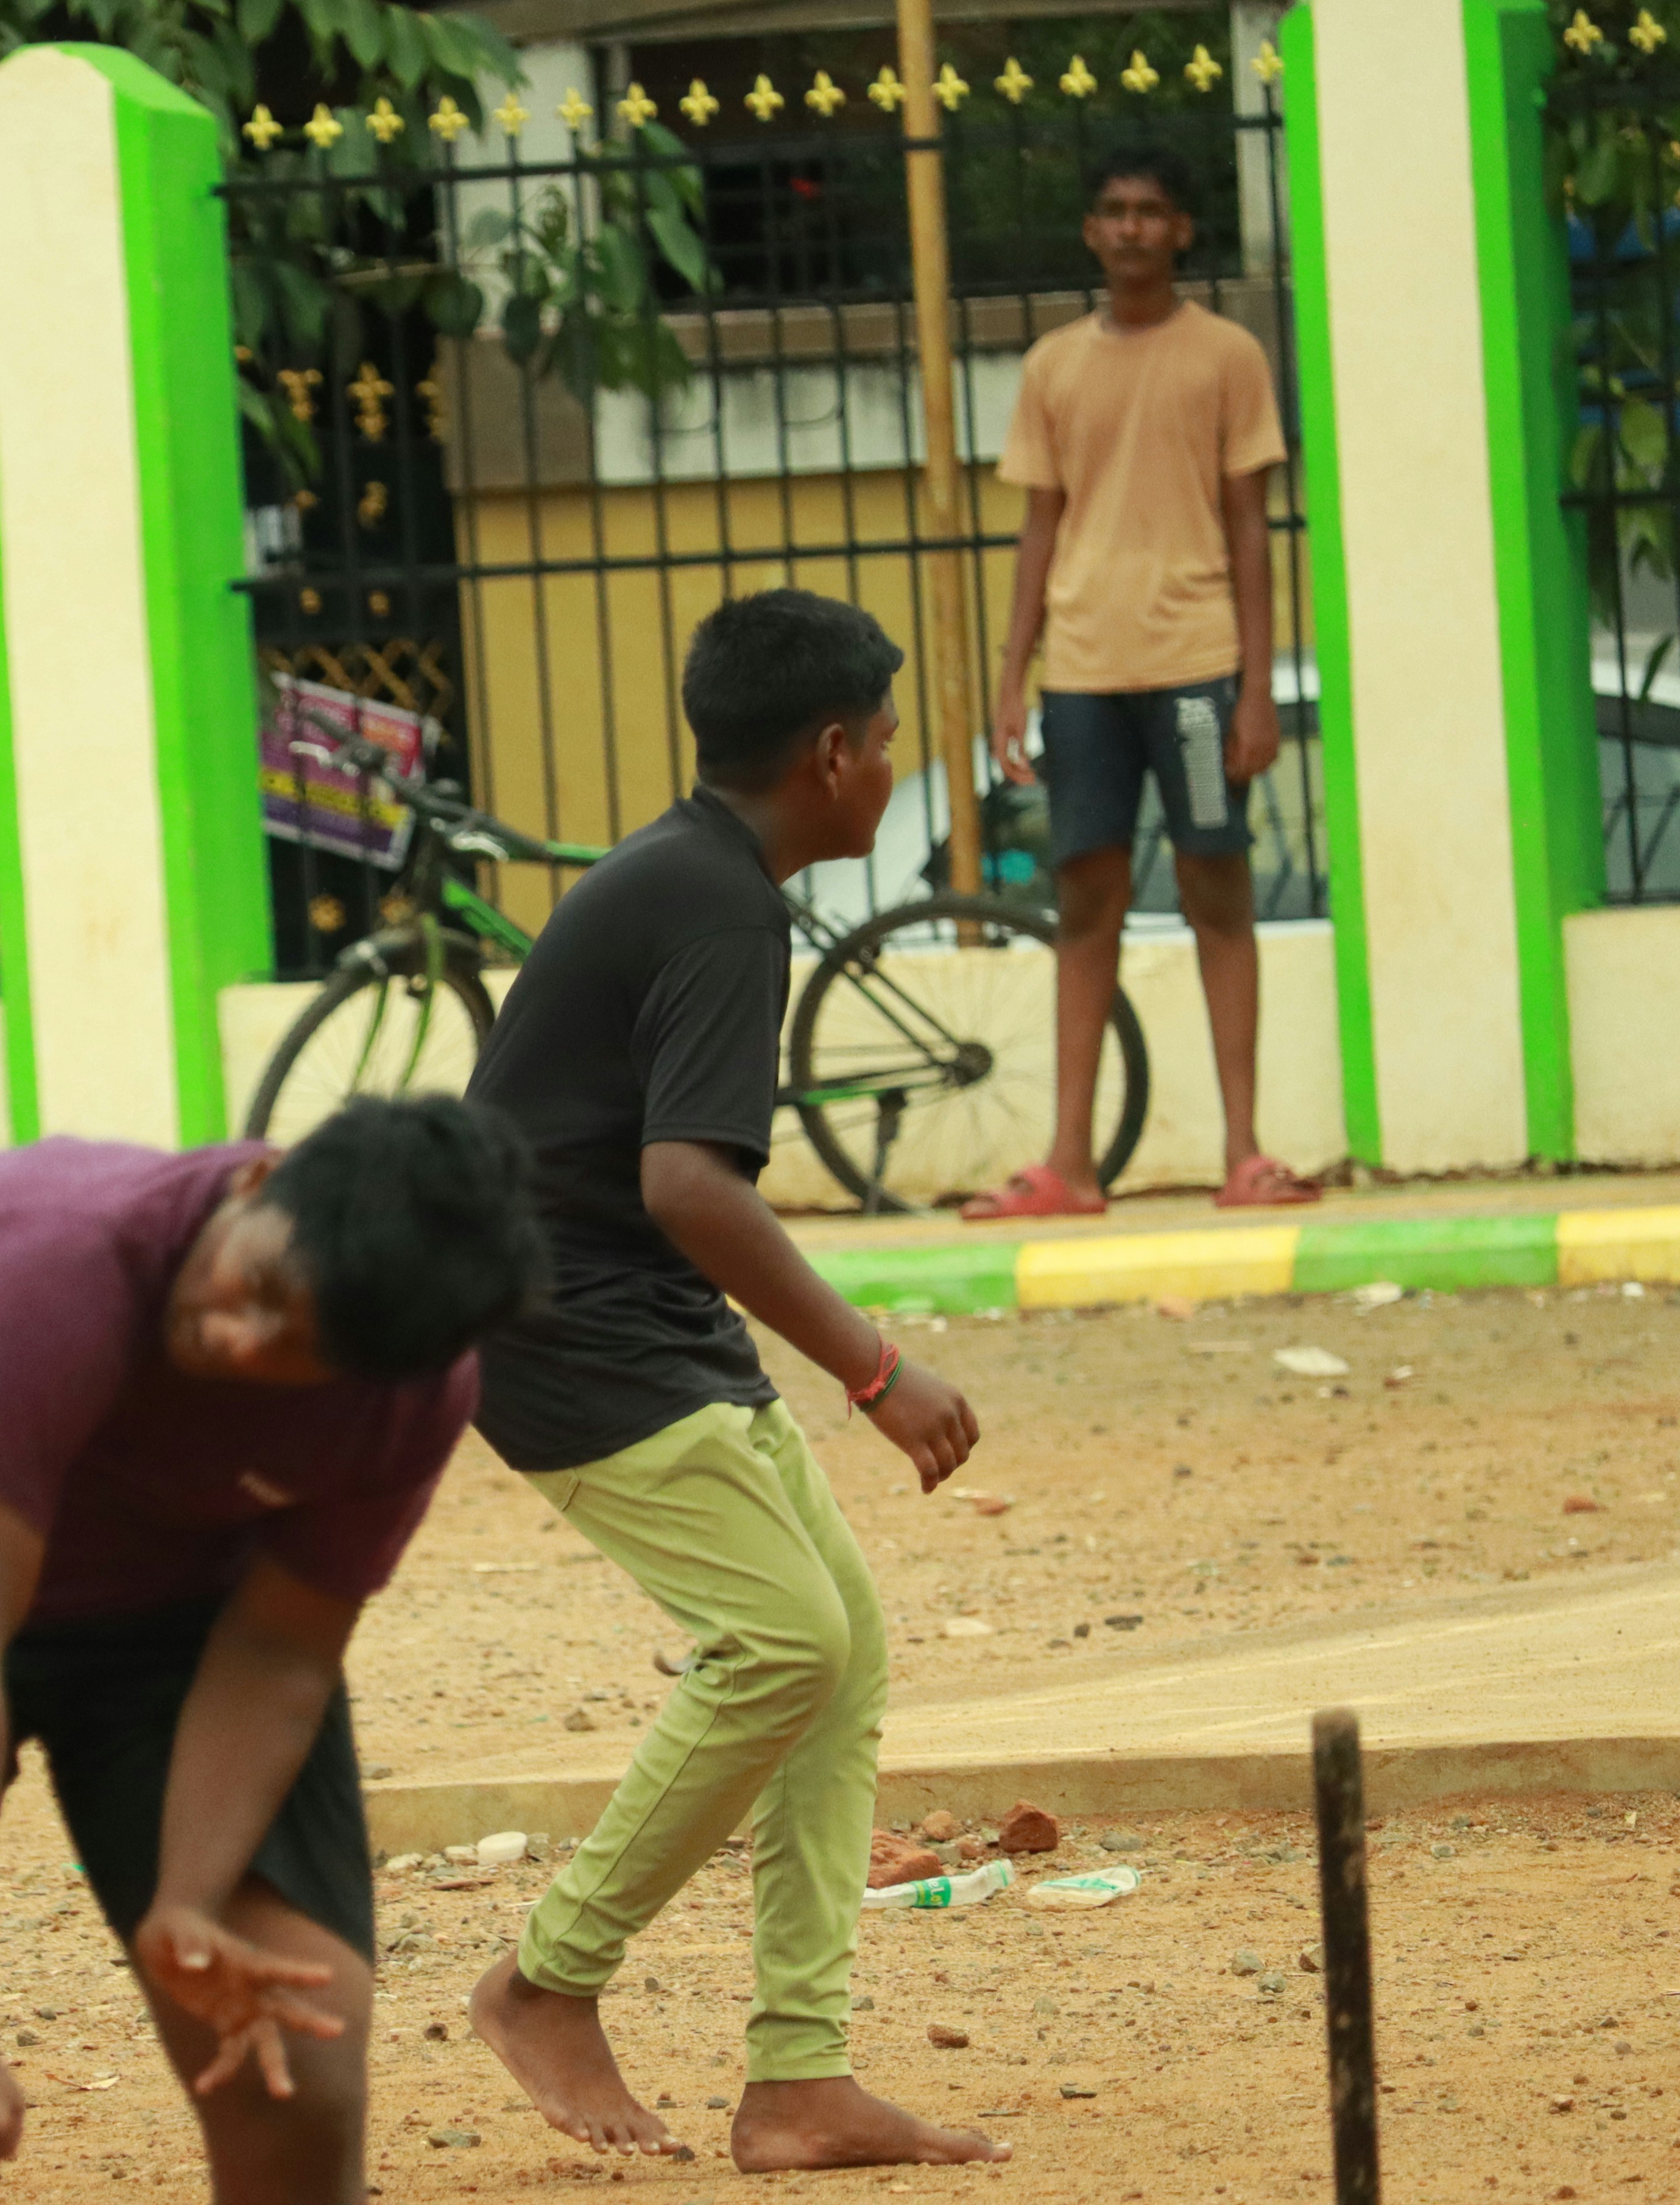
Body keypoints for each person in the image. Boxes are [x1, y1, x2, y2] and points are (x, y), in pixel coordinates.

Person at [0, 1101, 552, 2204]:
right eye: (258, 1291)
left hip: (178, 1630)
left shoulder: (407, 1389)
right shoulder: (56, 1269)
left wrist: (191, 1902)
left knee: (292, 2071)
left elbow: (277, 1654)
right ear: (259, 1183)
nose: (240, 1342)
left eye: (305, 1358)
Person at [460, 587, 1003, 2174]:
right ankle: (547, 1979)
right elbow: (689, 1185)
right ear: (833, 753)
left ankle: (800, 2081)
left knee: (841, 1653)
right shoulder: (714, 905)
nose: (896, 769)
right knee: (783, 1640)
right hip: (562, 1336)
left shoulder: (694, 874)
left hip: (645, 1327)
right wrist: (876, 1367)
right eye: (890, 742)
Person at [967, 142, 1315, 1219]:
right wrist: (1011, 677)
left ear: (1181, 232)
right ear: (1089, 231)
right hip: (1082, 676)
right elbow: (1039, 527)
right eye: (1112, 211)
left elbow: (1254, 529)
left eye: (1150, 212)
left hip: (1199, 670)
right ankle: (1069, 1164)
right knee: (1086, 902)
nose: (1129, 229)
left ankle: (1245, 1152)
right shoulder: (1053, 367)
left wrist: (1258, 687)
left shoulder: (1228, 356)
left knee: (1219, 891)